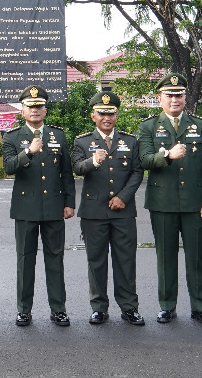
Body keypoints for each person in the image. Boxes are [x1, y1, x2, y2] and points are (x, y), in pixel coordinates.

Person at [136, 73, 202, 326]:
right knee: (165, 257)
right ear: (159, 98)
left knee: (197, 257)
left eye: (179, 95)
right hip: (163, 202)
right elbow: (145, 160)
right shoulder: (149, 126)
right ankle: (167, 306)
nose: (174, 99)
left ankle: (200, 307)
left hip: (196, 202)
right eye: (169, 95)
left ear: (185, 98)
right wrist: (168, 156)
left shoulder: (200, 125)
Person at [2, 85, 75, 327]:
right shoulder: (12, 137)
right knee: (25, 260)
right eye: (30, 107)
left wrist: (69, 202)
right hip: (26, 208)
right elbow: (8, 168)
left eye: (39, 106)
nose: (35, 110)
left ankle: (59, 309)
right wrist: (28, 153)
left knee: (55, 259)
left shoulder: (58, 136)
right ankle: (24, 310)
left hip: (54, 206)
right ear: (22, 110)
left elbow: (67, 172)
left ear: (45, 110)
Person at [71, 89, 145, 326]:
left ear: (116, 115)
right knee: (97, 261)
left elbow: (137, 172)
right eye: (101, 113)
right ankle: (99, 308)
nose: (107, 118)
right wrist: (93, 161)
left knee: (126, 260)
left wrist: (123, 197)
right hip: (94, 212)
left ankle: (129, 307)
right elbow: (77, 168)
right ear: (93, 116)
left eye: (111, 113)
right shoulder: (82, 141)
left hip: (123, 210)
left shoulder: (130, 141)